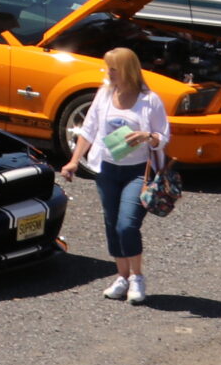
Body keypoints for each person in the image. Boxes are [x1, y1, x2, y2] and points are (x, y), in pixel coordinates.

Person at [60, 45, 170, 304]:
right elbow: (88, 129)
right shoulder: (104, 94)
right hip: (108, 170)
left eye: (113, 69)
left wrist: (148, 136)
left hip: (138, 173)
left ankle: (137, 277)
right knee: (111, 225)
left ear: (127, 71)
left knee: (127, 225)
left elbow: (163, 137)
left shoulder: (149, 100)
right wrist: (74, 161)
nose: (108, 73)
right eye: (107, 68)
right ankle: (122, 277)